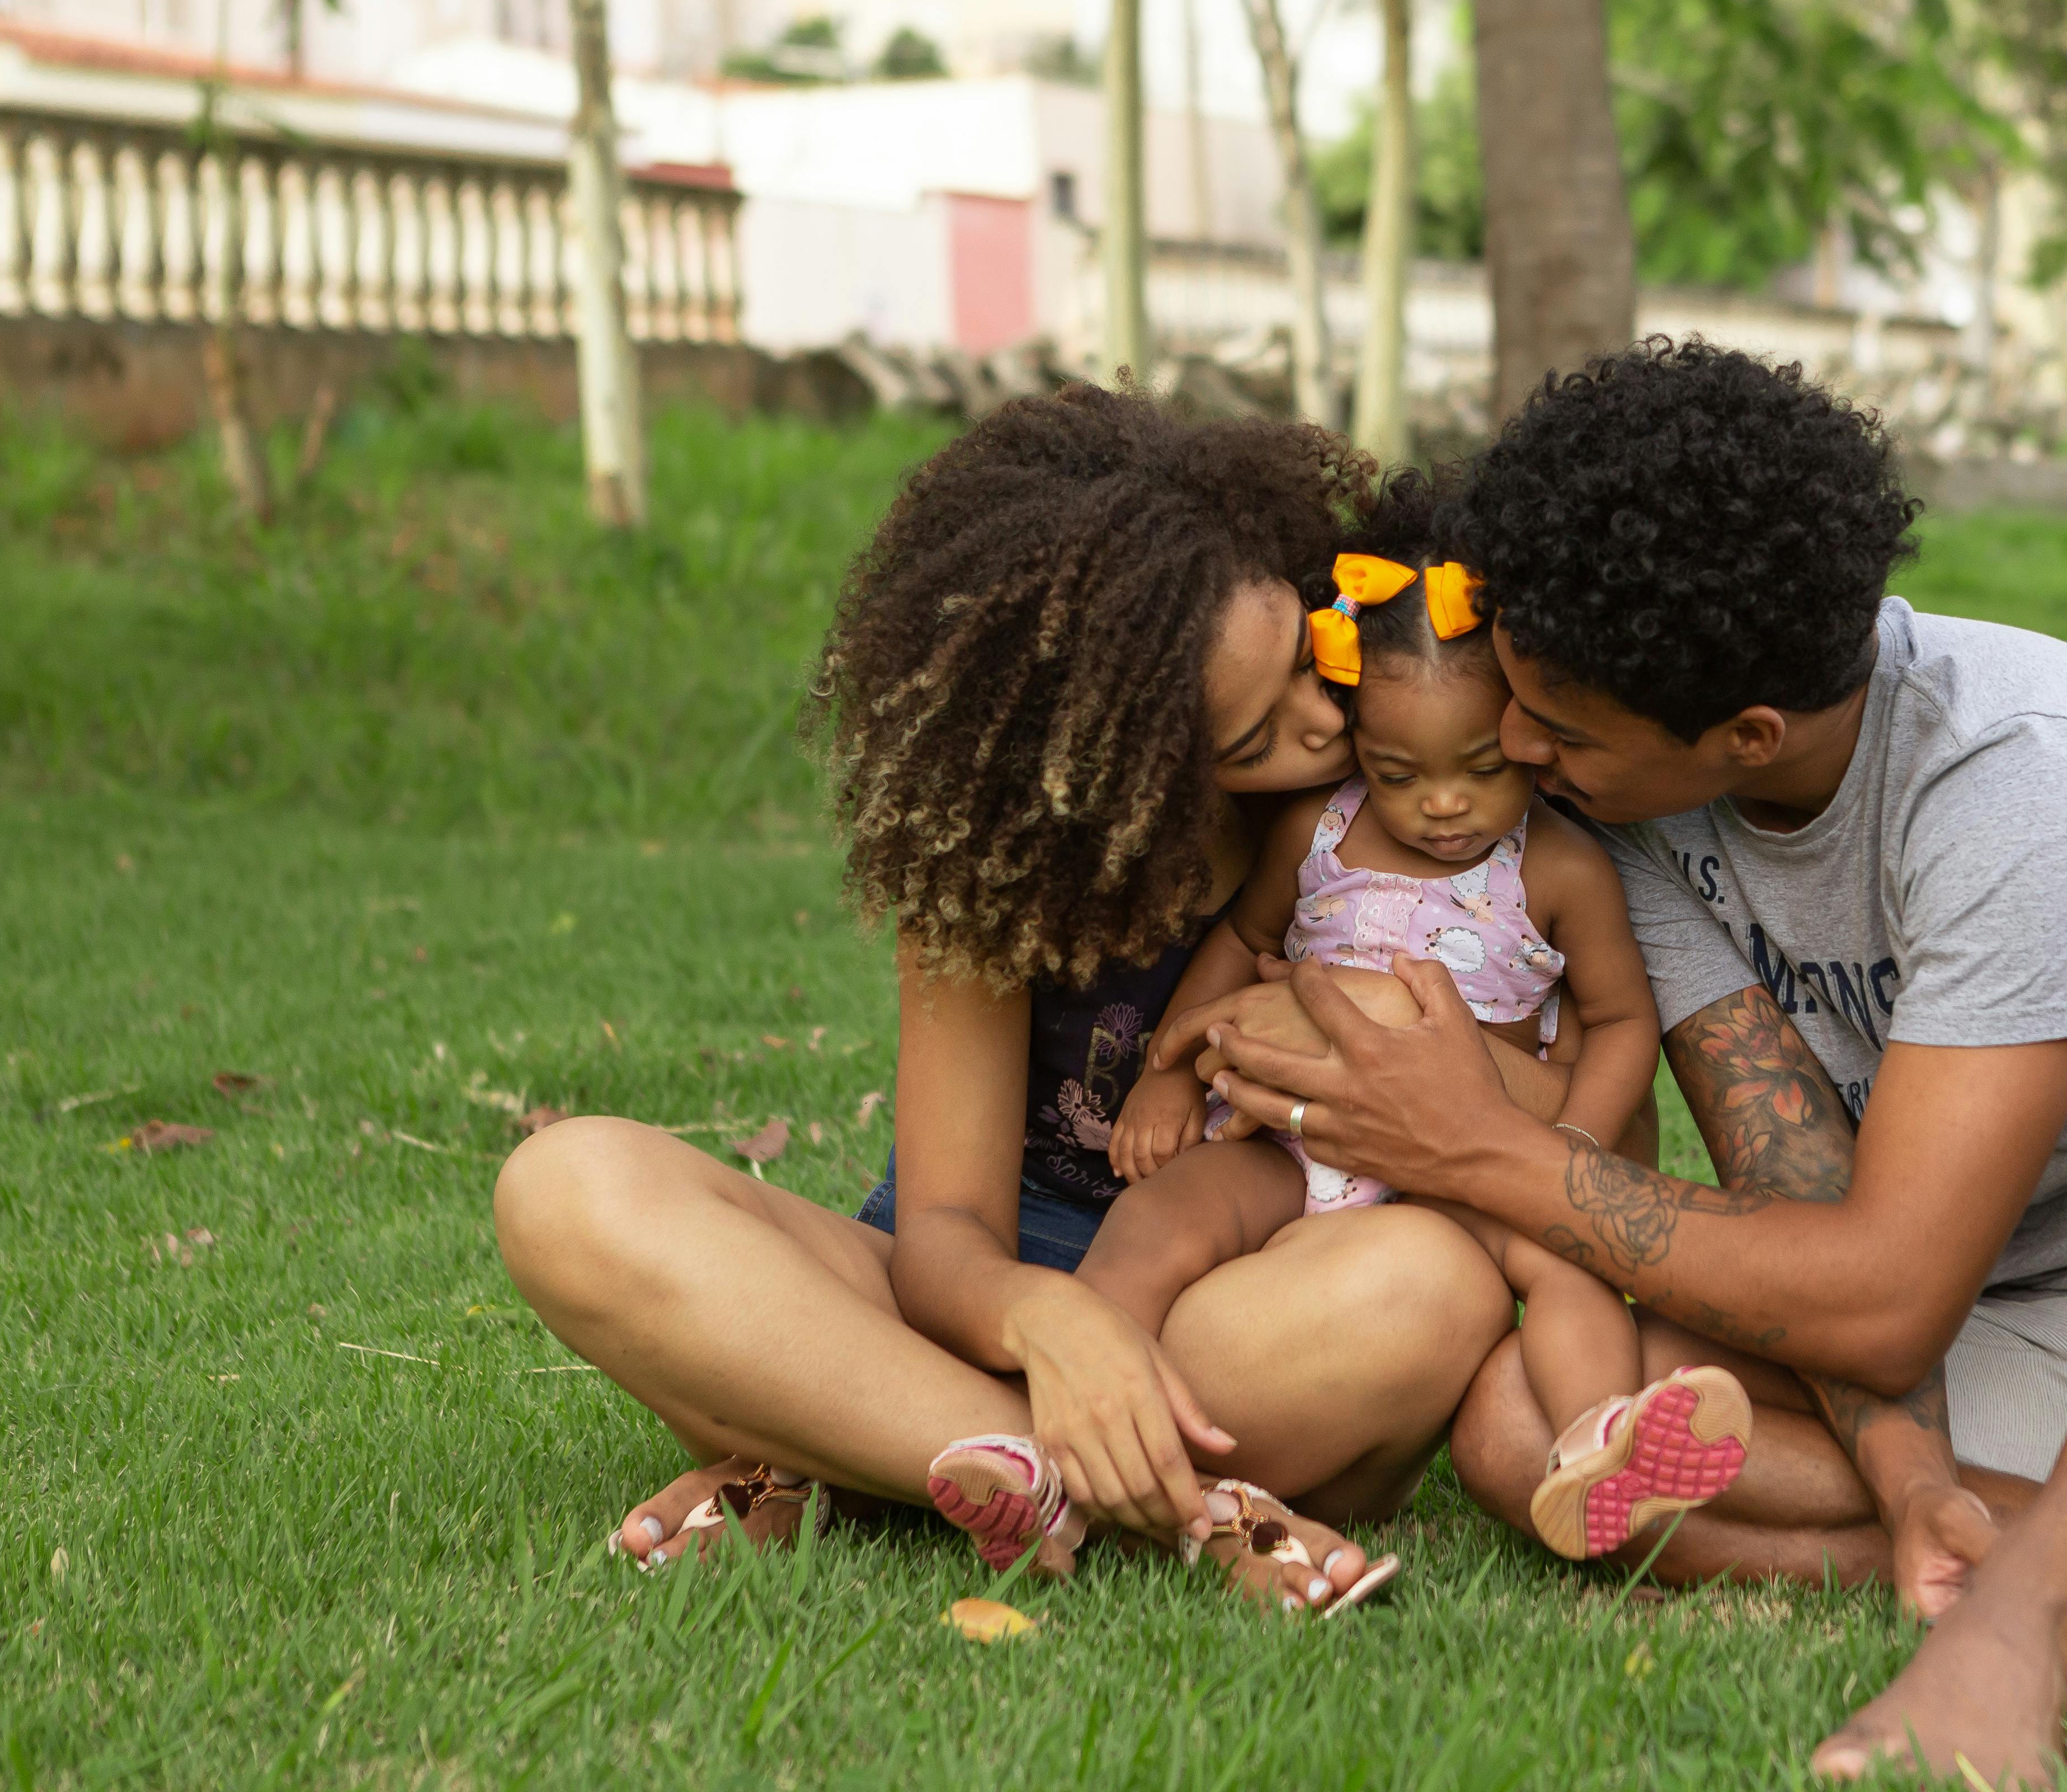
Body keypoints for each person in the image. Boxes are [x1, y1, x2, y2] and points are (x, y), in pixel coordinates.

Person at [1181, 340, 2067, 1777]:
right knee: (1533, 1432)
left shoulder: (2020, 770)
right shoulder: (1643, 816)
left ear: (1748, 733)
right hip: (2032, 1327)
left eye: (1560, 726)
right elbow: (1808, 1206)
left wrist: (1475, 1145)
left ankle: (2037, 1616)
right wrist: (1906, 1476)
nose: (1518, 747)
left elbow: (1887, 1297)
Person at [491, 387, 1514, 1612]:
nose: (1323, 728)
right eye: (1247, 743)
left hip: (1227, 1318)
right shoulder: (996, 879)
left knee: (1432, 1286)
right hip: (963, 1314)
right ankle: (1168, 1504)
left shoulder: (1385, 826)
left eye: (1310, 662)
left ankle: (861, 1461)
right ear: (1114, 764)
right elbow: (941, 1244)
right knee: (568, 1191)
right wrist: (1049, 1327)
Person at [1072, 474, 1756, 1563]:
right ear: (1358, 746)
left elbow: (1623, 1023)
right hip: (1290, 1135)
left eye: (1481, 769)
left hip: (1456, 1159)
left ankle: (1598, 1443)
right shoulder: (1319, 830)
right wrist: (1166, 1071)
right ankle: (1076, 1409)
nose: (1444, 803)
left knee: (1565, 1265)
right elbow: (1241, 947)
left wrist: (1571, 1147)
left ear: (1525, 734)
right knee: (1160, 1222)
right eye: (1400, 773)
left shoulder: (1563, 865)